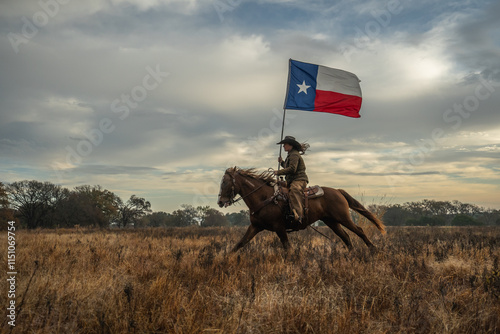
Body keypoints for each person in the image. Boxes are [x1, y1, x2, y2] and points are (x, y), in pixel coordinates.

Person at [274, 136, 309, 224]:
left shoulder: (294, 155)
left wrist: (278, 172)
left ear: (291, 145)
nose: (283, 146)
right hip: (292, 180)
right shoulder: (291, 155)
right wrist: (282, 162)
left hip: (299, 180)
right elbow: (288, 167)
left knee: (294, 190)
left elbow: (292, 169)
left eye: (285, 144)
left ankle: (299, 216)